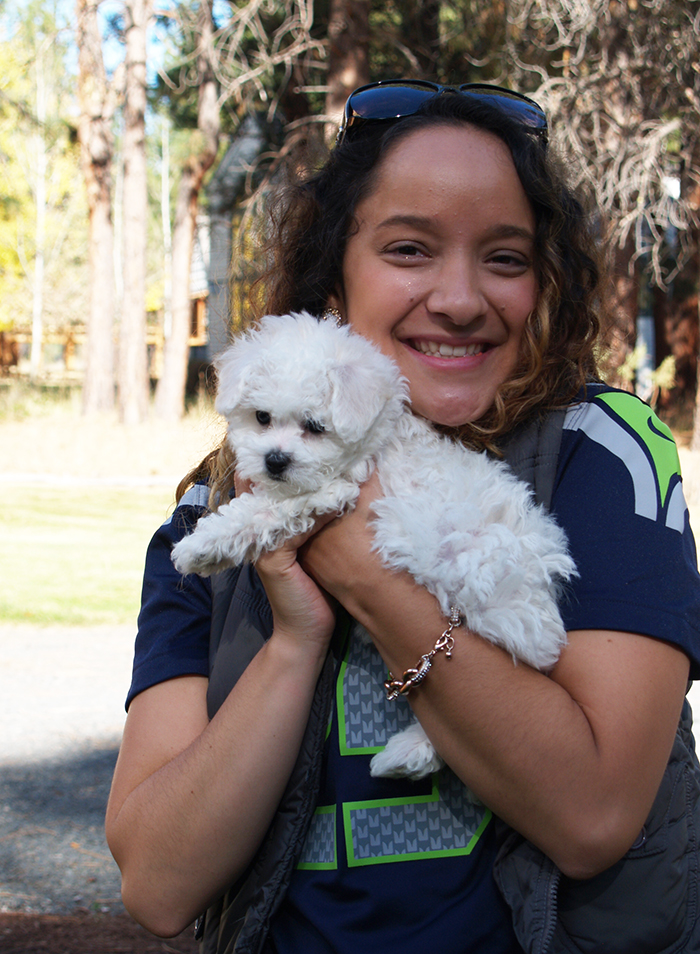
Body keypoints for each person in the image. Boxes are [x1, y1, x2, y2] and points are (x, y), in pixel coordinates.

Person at [106, 81, 700, 954]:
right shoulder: (222, 499)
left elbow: (594, 815)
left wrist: (366, 571)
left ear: (546, 282)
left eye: (505, 258)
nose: (460, 298)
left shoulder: (601, 454)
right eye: (409, 249)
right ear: (333, 276)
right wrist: (294, 642)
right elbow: (157, 886)